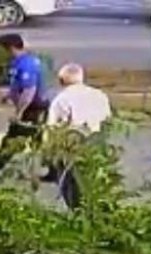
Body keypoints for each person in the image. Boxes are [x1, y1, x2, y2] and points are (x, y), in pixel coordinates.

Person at [0, 33, 51, 178]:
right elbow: (18, 85)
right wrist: (9, 96)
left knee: (12, 139)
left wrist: (19, 113)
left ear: (11, 48)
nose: (1, 52)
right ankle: (49, 171)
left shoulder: (26, 64)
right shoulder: (21, 61)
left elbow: (29, 91)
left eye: (2, 49)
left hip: (33, 109)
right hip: (33, 107)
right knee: (36, 140)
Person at [44, 63, 112, 209]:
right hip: (97, 142)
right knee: (96, 180)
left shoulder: (61, 99)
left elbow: (52, 129)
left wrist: (49, 157)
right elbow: (108, 120)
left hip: (73, 144)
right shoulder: (100, 95)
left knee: (72, 184)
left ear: (61, 81)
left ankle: (77, 211)